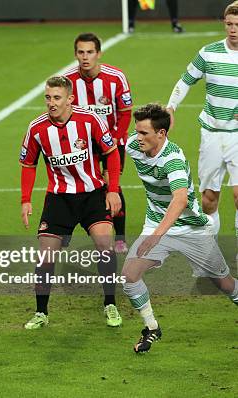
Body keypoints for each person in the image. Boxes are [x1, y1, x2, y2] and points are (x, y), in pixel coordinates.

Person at [122, 103, 238, 353]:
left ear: (161, 134)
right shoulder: (133, 146)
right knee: (130, 277)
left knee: (225, 285)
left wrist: (155, 236)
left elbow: (180, 200)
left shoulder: (172, 158)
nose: (137, 138)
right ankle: (152, 328)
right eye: (137, 131)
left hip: (190, 230)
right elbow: (109, 145)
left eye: (144, 133)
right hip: (157, 223)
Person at [20, 76, 123, 329]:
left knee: (104, 244)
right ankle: (41, 312)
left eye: (56, 98)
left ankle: (110, 303)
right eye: (47, 97)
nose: (51, 103)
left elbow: (111, 155)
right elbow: (28, 165)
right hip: (59, 199)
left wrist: (113, 191)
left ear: (70, 99)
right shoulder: (37, 129)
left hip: (92, 195)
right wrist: (25, 200)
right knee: (45, 257)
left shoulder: (90, 120)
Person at [167, 1, 238, 262]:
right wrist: (171, 106)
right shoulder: (208, 53)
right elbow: (186, 80)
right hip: (211, 133)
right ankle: (210, 252)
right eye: (229, 24)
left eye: (237, 25)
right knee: (209, 199)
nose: (233, 30)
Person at [65, 32, 133, 253]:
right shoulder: (68, 82)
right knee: (78, 185)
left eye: (90, 52)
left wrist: (115, 137)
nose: (85, 57)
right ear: (75, 54)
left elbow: (125, 112)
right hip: (83, 146)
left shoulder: (115, 78)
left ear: (99, 53)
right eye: (81, 52)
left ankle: (120, 237)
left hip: (112, 143)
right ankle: (65, 232)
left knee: (111, 184)